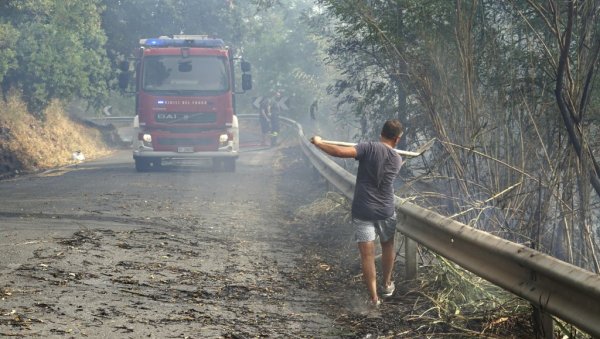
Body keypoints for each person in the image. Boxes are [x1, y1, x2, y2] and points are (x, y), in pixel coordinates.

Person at [310, 119, 404, 307]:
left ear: (381, 133)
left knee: (367, 255)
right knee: (388, 245)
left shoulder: (368, 148)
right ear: (397, 139)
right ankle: (386, 284)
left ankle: (374, 298)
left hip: (364, 210)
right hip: (386, 210)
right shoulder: (397, 159)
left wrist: (320, 143)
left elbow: (339, 152)